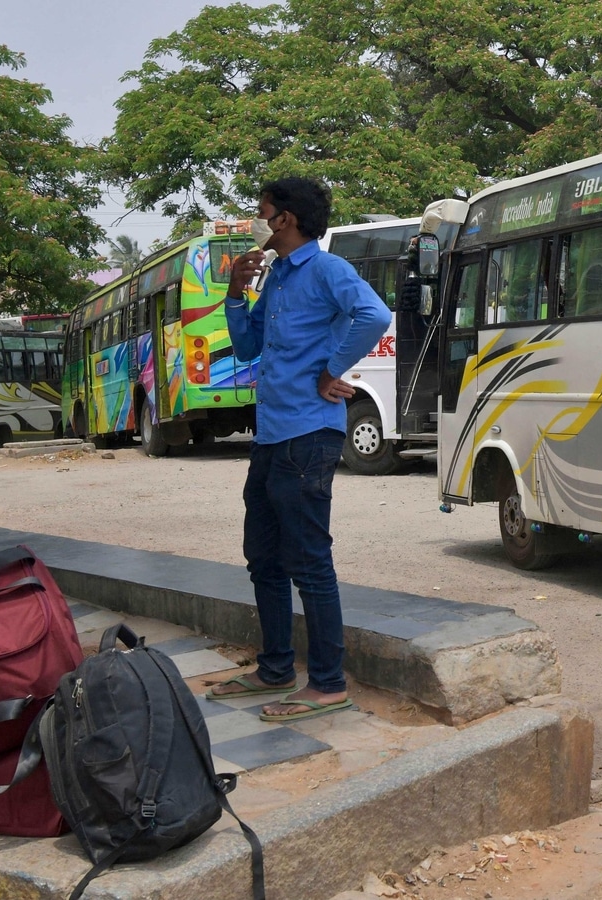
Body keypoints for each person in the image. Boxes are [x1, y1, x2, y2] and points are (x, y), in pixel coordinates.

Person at [211, 177, 392, 723]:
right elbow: (247, 346)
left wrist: (332, 370)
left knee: (309, 563)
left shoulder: (327, 269)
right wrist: (237, 292)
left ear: (284, 218)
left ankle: (329, 683)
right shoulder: (278, 280)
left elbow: (375, 315)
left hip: (308, 434)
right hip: (270, 437)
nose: (261, 219)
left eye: (264, 210)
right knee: (263, 558)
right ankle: (274, 668)